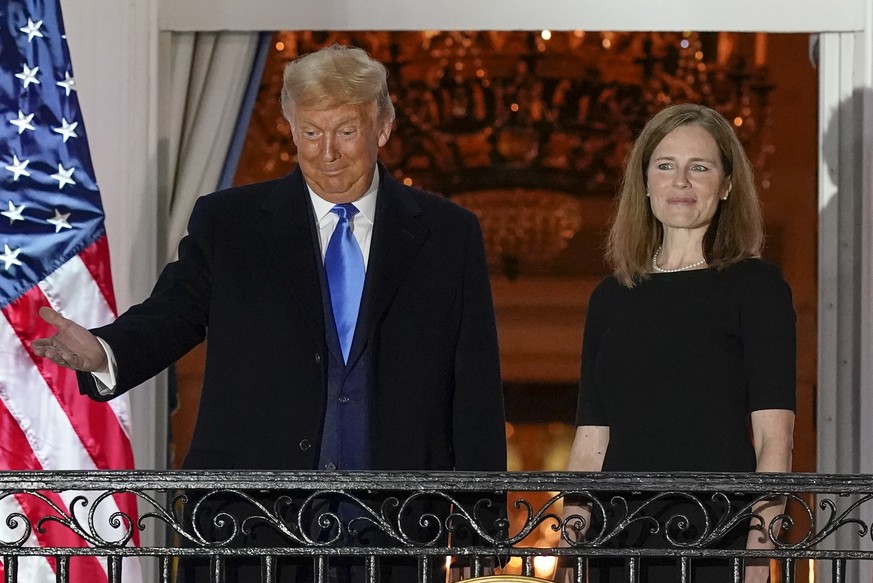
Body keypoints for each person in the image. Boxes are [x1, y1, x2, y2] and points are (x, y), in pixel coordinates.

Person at [32, 44, 507, 581]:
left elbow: (475, 384)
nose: (326, 152)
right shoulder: (231, 223)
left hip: (397, 528)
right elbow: (173, 312)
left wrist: (481, 520)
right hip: (250, 524)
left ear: (383, 128)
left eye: (345, 132)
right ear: (291, 128)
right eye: (310, 132)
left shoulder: (448, 234)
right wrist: (105, 350)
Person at [562, 103, 796, 583]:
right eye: (665, 166)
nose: (681, 182)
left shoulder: (757, 287)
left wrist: (758, 556)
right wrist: (569, 549)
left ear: (727, 185)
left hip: (716, 542)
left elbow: (776, 439)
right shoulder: (610, 297)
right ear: (645, 183)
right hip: (617, 543)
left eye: (700, 167)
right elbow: (590, 443)